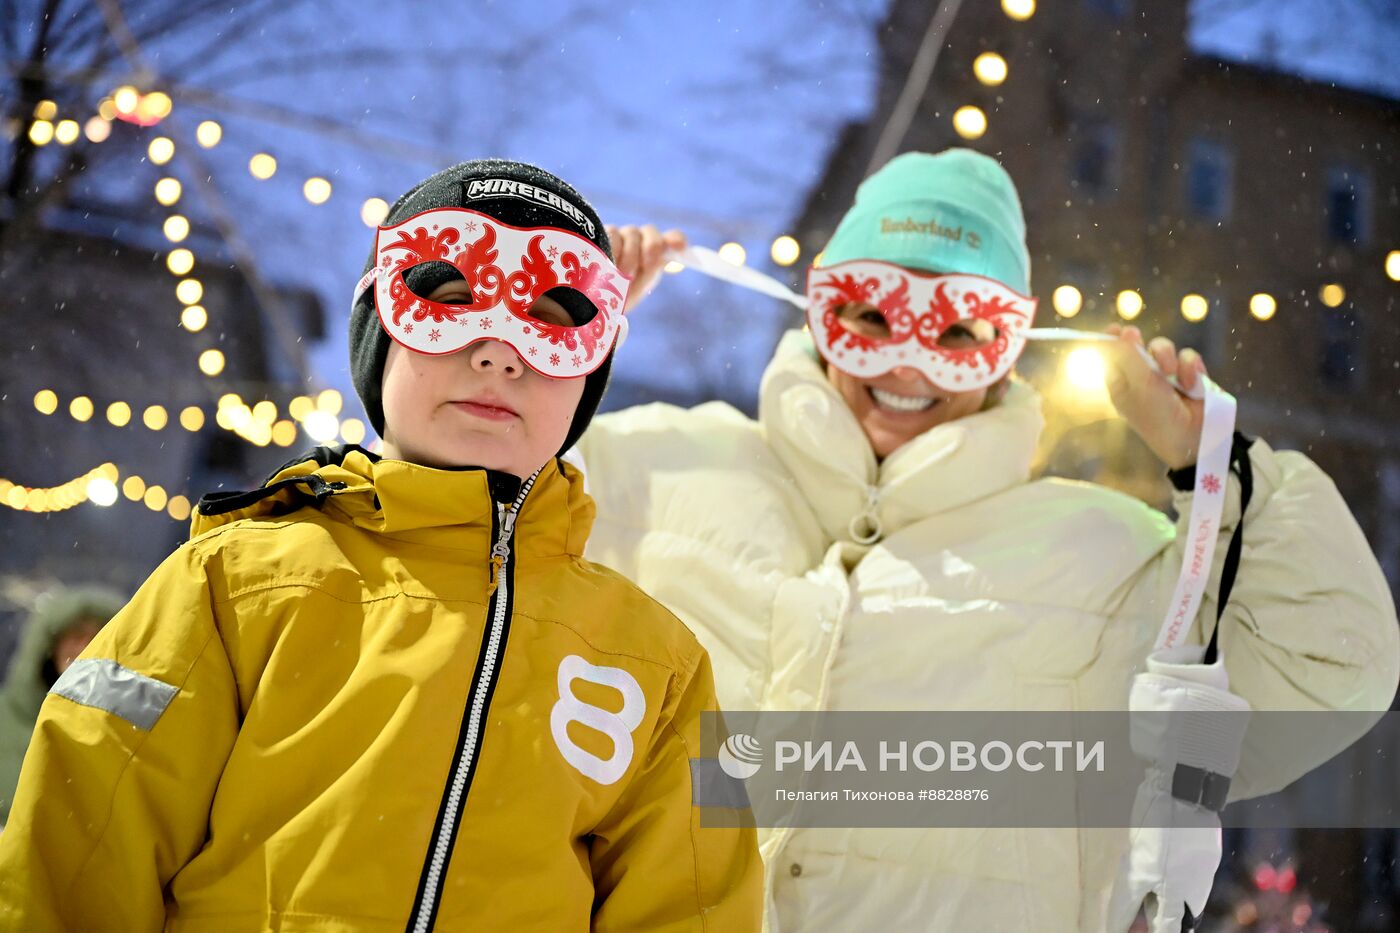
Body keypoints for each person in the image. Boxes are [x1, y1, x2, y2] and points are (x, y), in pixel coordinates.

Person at [571, 149, 1400, 930]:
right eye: (872, 315)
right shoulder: (642, 465)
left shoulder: (1106, 558)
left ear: (1008, 351)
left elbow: (1328, 669)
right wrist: (559, 353)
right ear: (822, 311)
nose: (909, 365)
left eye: (959, 332)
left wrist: (1215, 465)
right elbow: (463, 566)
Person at [0, 159, 762, 931]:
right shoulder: (233, 581)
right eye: (449, 300)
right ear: (379, 334)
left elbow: (692, 903)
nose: (499, 351)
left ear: (588, 379)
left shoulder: (655, 666)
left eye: (553, 320)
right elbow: (78, 846)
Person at [0, 585, 126, 828]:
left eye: (98, 637)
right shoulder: (6, 717)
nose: (85, 648)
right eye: (77, 636)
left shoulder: (130, 726)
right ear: (49, 646)